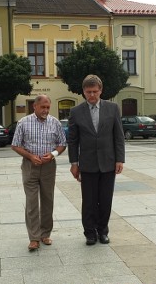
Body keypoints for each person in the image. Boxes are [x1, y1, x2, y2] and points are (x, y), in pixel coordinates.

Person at [68, 74, 125, 245]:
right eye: (88, 92)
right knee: (89, 201)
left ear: (101, 91)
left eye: (95, 91)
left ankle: (103, 231)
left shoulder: (113, 108)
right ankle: (90, 233)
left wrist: (119, 159)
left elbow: (118, 136)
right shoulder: (76, 112)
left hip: (108, 162)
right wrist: (74, 163)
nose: (92, 95)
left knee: (106, 200)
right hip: (87, 164)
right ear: (83, 92)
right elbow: (73, 140)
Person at [11, 95, 66, 251]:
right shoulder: (23, 123)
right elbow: (15, 145)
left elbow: (62, 144)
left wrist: (53, 154)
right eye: (43, 107)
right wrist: (29, 156)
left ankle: (45, 234)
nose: (46, 110)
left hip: (49, 166)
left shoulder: (55, 123)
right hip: (30, 166)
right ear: (34, 106)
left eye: (48, 107)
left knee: (48, 200)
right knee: (32, 202)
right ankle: (34, 238)